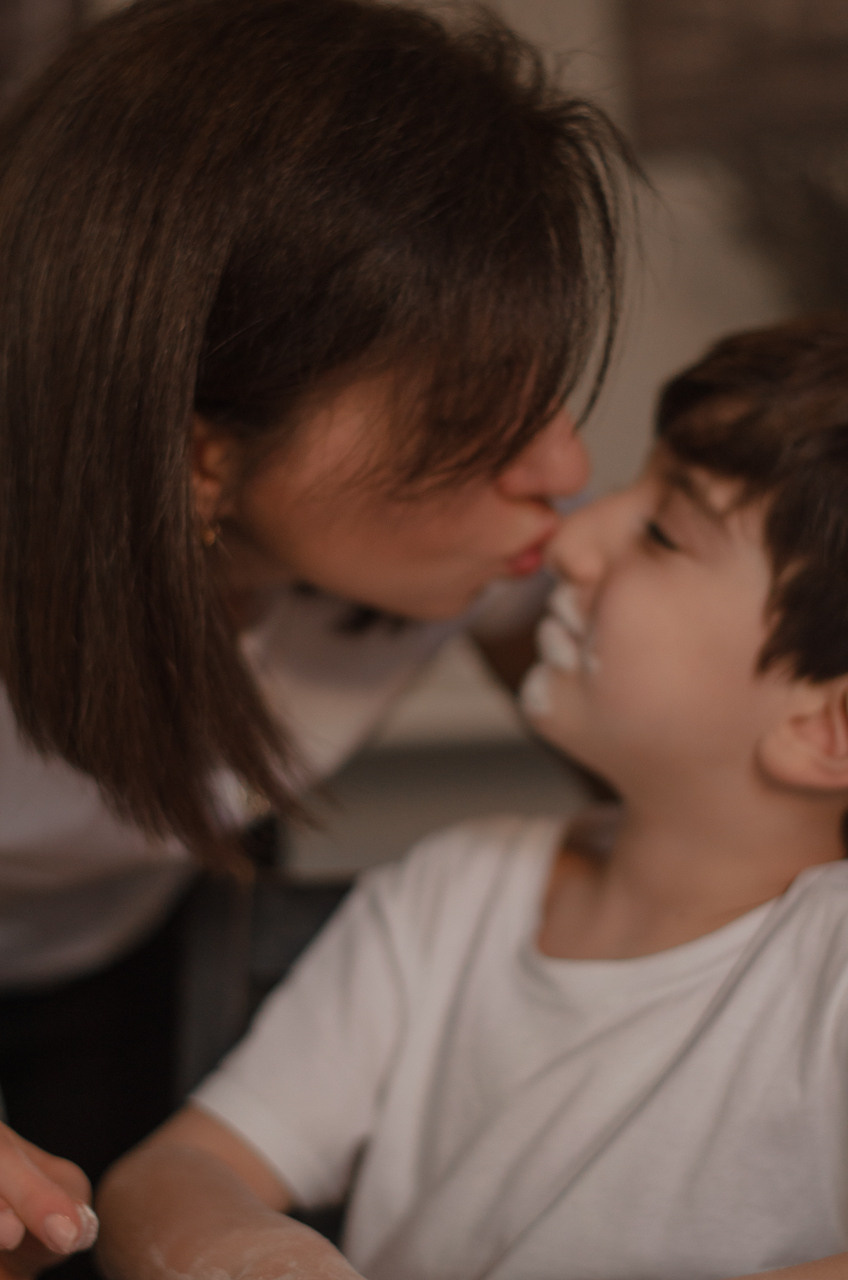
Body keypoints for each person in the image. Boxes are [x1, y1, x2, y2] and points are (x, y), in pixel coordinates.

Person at [0, 0, 634, 1271]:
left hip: (140, 941)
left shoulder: (478, 546)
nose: (560, 468)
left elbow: (666, 775)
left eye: (545, 388)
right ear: (199, 456)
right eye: (469, 418)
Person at [94, 314, 848, 1280]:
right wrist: (236, 1245)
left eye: (662, 531)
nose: (573, 536)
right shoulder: (451, 892)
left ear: (826, 728)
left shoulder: (828, 972)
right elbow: (171, 1172)